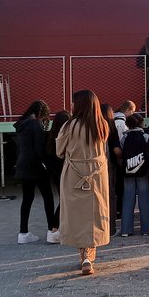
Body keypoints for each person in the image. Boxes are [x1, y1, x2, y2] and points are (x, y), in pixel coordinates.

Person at [56, 90, 112, 275]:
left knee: (76, 213)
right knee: (95, 212)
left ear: (79, 105)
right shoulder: (102, 124)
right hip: (97, 174)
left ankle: (84, 254)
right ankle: (89, 253)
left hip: (74, 173)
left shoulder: (69, 126)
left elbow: (59, 151)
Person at [13, 100, 59, 244]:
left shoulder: (21, 125)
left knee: (27, 199)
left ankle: (23, 233)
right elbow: (40, 148)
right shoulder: (35, 124)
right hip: (36, 167)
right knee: (48, 197)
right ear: (40, 113)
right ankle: (51, 229)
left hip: (23, 165)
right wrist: (48, 164)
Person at [119, 114, 149, 236]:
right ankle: (147, 229)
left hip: (128, 170)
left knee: (128, 198)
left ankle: (126, 229)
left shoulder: (124, 137)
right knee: (144, 198)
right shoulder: (145, 136)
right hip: (142, 170)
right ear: (141, 123)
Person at [45, 110, 71, 231]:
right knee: (66, 201)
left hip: (55, 172)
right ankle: (54, 227)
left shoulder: (50, 136)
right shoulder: (66, 136)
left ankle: (57, 227)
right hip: (65, 171)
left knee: (62, 199)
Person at [101, 103, 124, 237]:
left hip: (98, 165)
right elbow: (116, 150)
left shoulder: (96, 126)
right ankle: (111, 228)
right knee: (111, 196)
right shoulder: (111, 127)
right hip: (110, 166)